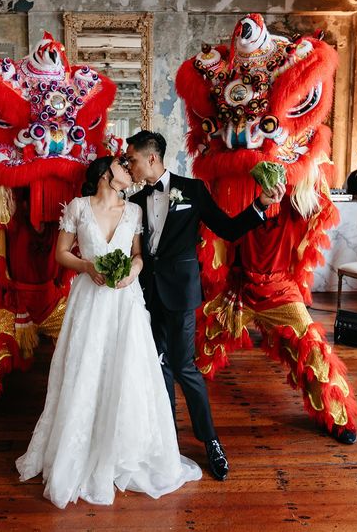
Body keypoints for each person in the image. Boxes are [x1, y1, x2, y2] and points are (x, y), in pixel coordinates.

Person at [16, 155, 202, 508]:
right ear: (105, 173)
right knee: (86, 366)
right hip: (89, 299)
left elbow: (137, 255)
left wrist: (132, 271)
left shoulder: (133, 211)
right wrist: (87, 266)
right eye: (121, 165)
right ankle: (80, 448)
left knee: (128, 368)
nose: (128, 170)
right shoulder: (78, 207)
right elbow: (60, 254)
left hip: (125, 301)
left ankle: (122, 450)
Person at [125, 130, 286, 482]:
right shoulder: (134, 199)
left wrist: (260, 205)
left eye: (132, 158)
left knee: (184, 367)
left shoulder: (192, 190)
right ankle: (166, 441)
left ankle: (210, 440)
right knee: (157, 367)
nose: (129, 165)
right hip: (143, 293)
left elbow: (228, 230)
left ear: (151, 158)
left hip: (181, 292)